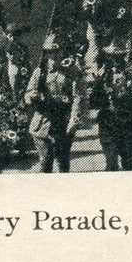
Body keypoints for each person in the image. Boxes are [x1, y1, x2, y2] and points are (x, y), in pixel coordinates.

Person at [25, 38, 82, 173]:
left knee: (63, 163)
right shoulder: (39, 72)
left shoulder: (71, 71)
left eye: (57, 52)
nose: (53, 56)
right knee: (45, 162)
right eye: (50, 53)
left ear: (62, 52)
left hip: (63, 122)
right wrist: (33, 96)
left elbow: (77, 97)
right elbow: (27, 94)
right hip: (42, 124)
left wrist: (74, 118)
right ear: (46, 54)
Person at [88, 44, 132, 171]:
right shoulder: (103, 75)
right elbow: (93, 103)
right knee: (111, 164)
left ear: (124, 57)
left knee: (129, 165)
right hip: (109, 125)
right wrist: (98, 83)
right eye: (112, 57)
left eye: (119, 57)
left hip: (128, 124)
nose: (116, 61)